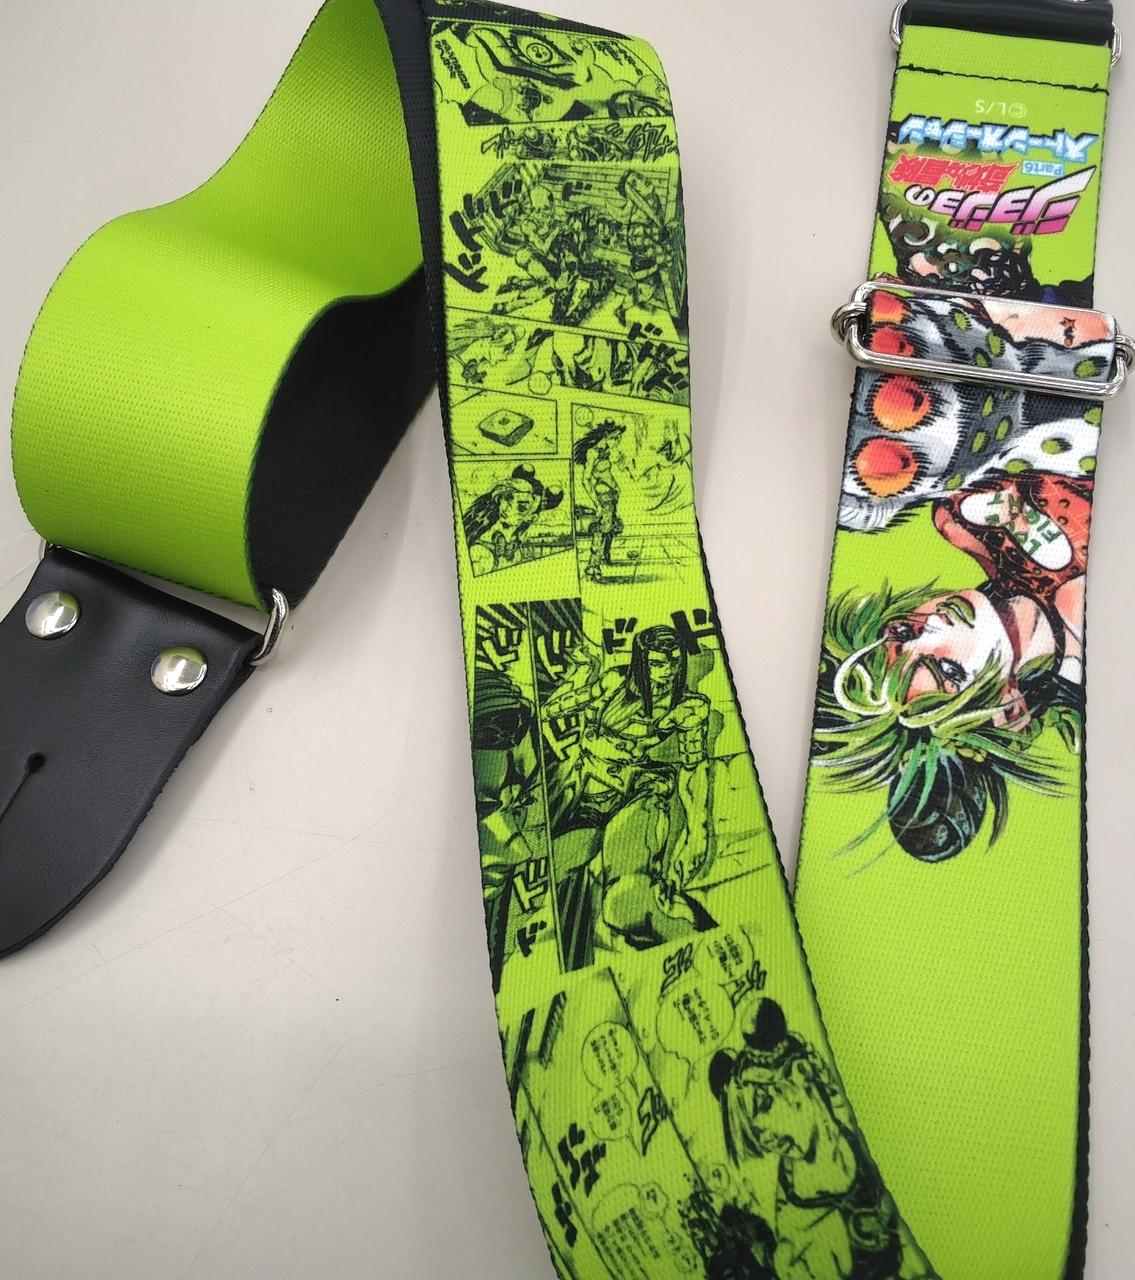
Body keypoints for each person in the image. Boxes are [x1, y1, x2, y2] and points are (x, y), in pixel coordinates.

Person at [815, 468, 1090, 861]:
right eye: (948, 671)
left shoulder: (963, 523)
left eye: (903, 633)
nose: (931, 627)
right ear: (1010, 708)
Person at [543, 625, 714, 965]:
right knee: (552, 866)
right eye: (657, 664)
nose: (667, 672)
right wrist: (578, 678)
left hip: (640, 791)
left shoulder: (688, 708)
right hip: (590, 796)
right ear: (641, 662)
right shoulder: (612, 682)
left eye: (674, 663)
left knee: (625, 903)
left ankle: (707, 952)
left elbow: (694, 770)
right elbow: (557, 708)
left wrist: (698, 829)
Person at [709, 1000, 905, 1280]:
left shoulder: (867, 1129)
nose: (761, 1132)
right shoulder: (794, 1214)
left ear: (801, 1074)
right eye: (752, 1125)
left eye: (765, 1103)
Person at [462, 465, 564, 575]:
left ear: (532, 518)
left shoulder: (515, 553)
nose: (506, 508)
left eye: (521, 507)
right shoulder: (480, 552)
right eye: (508, 498)